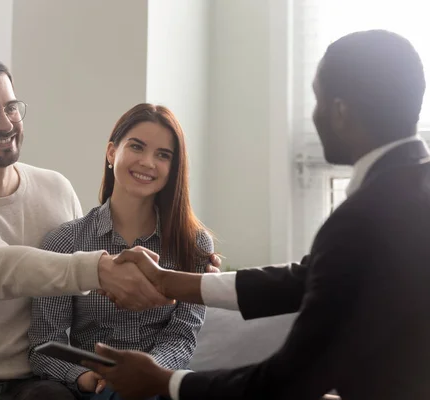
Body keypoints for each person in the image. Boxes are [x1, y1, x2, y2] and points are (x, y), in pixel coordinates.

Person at [86, 30, 430, 400]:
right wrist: (170, 281)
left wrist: (164, 382)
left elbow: (290, 378)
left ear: (341, 111)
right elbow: (303, 280)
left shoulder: (361, 218)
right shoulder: (408, 193)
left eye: (316, 100)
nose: (313, 116)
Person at [0, 56, 175, 400]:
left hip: (37, 380)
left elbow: (80, 283)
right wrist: (98, 269)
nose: (5, 123)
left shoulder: (55, 188)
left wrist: (185, 263)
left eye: (10, 108)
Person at [28, 104, 215, 400]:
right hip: (88, 388)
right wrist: (86, 377)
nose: (147, 162)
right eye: (137, 147)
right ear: (112, 152)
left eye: (163, 155)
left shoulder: (194, 247)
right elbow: (43, 345)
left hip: (156, 386)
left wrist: (144, 375)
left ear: (173, 169)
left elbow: (182, 337)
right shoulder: (65, 242)